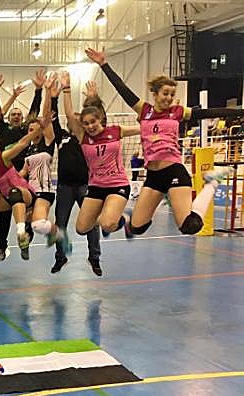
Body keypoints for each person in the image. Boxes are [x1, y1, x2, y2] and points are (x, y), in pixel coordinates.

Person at [86, 47, 242, 237]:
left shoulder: (178, 112)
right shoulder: (144, 110)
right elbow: (123, 89)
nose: (168, 98)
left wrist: (240, 112)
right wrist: (104, 64)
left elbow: (208, 113)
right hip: (153, 176)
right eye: (165, 93)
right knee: (136, 228)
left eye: (171, 94)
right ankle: (155, 204)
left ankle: (211, 183)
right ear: (155, 94)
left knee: (188, 226)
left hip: (173, 170)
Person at [60, 70, 141, 250]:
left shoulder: (116, 131)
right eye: (86, 123)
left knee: (107, 224)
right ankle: (113, 216)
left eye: (93, 122)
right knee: (81, 229)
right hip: (96, 186)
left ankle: (122, 218)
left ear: (101, 119)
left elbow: (142, 128)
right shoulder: (83, 137)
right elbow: (69, 115)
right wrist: (66, 89)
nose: (90, 126)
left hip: (117, 185)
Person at [0, 71, 46, 260]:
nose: (15, 116)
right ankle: (1, 246)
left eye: (18, 114)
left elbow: (34, 112)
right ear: (9, 117)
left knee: (27, 213)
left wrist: (38, 90)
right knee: (4, 214)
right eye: (13, 114)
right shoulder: (3, 129)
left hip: (25, 177)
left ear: (22, 118)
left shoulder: (25, 130)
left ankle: (25, 244)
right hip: (6, 178)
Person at [49, 80, 102, 275]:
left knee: (91, 223)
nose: (76, 121)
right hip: (64, 187)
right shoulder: (61, 136)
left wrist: (92, 98)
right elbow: (53, 118)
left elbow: (96, 115)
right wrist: (54, 97)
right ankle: (60, 257)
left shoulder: (86, 138)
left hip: (84, 185)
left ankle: (94, 257)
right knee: (60, 224)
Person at [17, 74, 70, 260]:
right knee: (24, 222)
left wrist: (47, 91)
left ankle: (58, 234)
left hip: (45, 191)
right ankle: (25, 245)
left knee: (38, 225)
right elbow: (23, 172)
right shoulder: (28, 150)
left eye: (36, 129)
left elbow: (46, 116)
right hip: (30, 191)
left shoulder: (47, 142)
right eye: (30, 130)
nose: (33, 132)